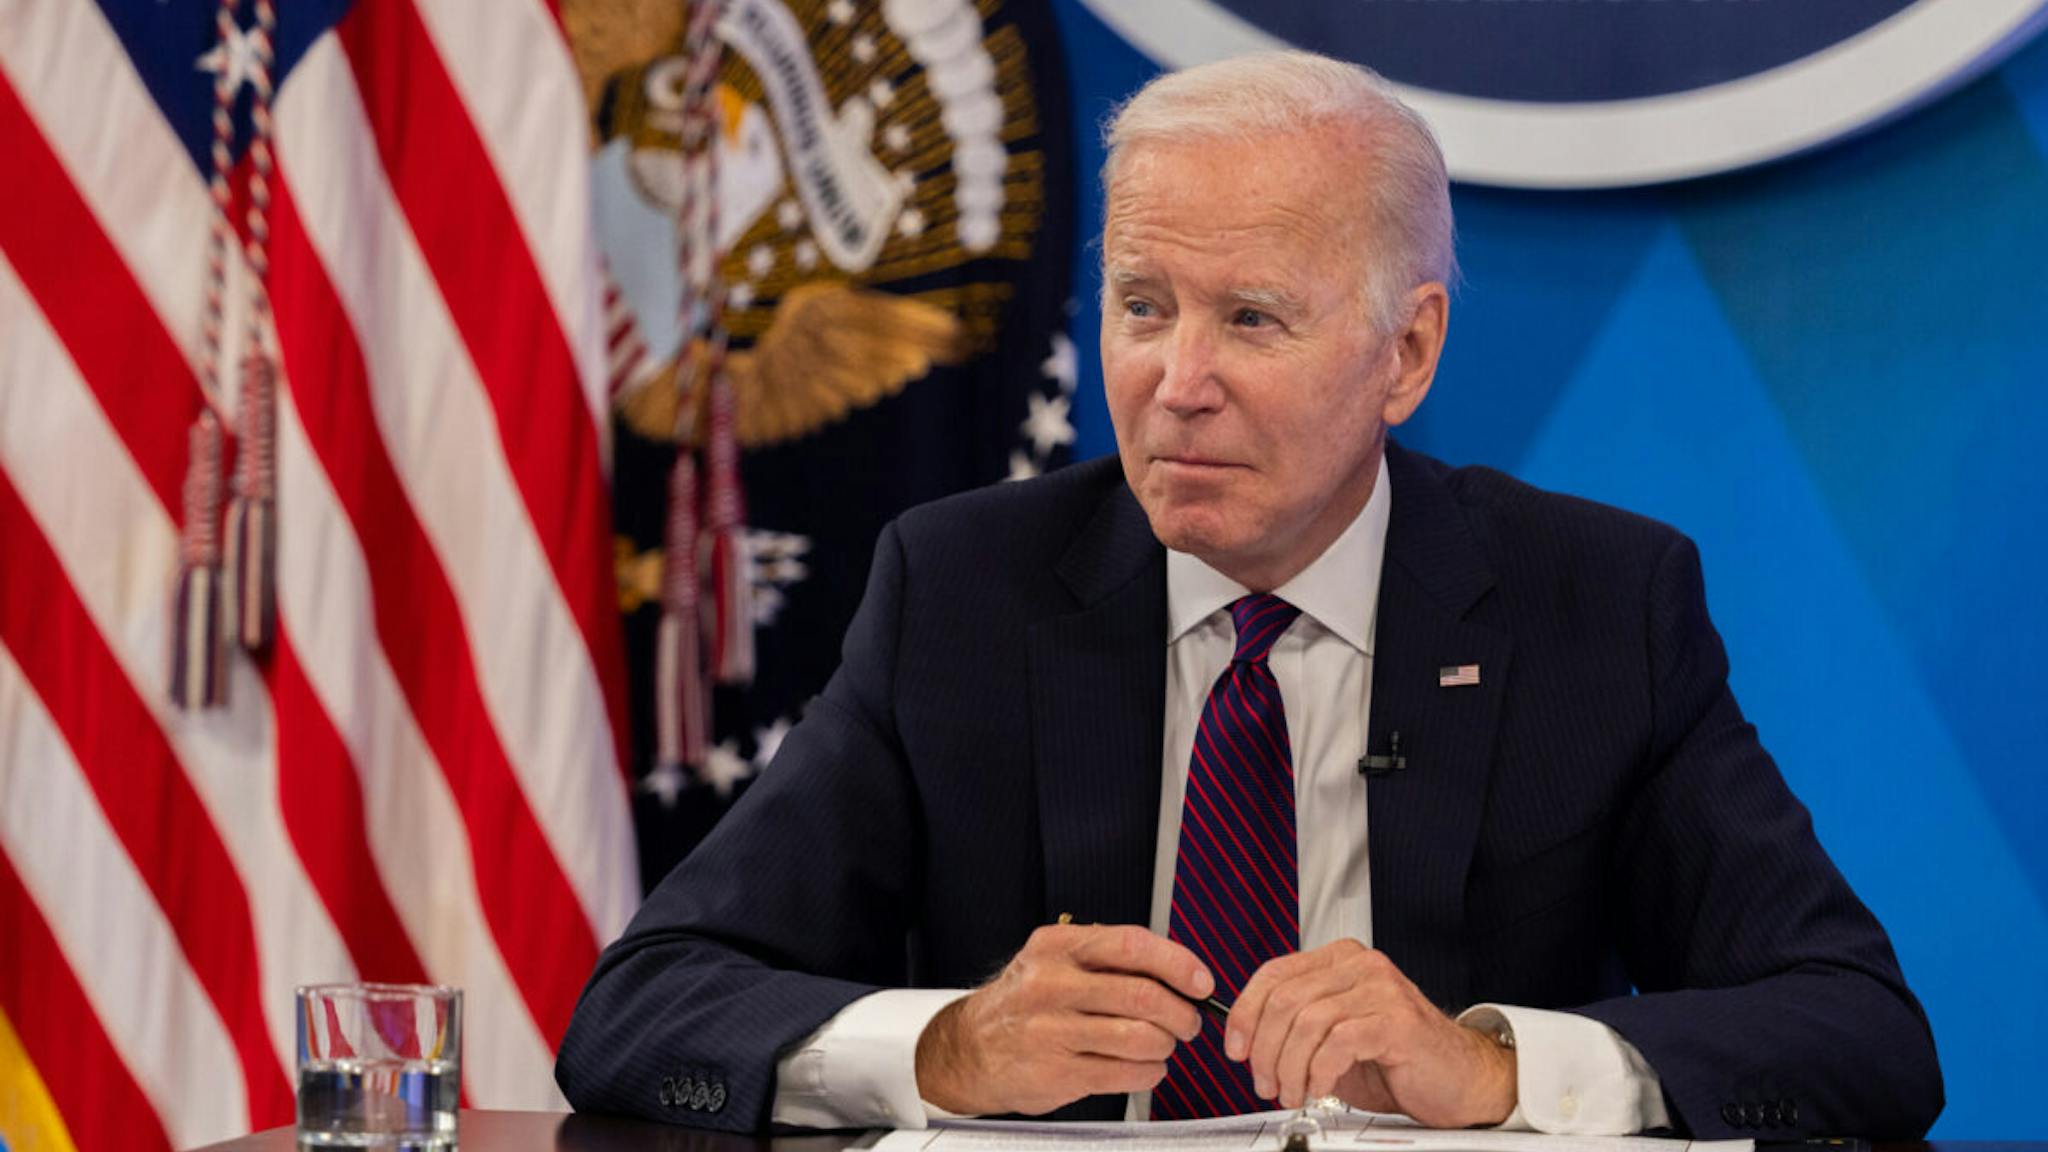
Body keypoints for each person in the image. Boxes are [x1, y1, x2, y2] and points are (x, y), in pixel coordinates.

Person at [556, 51, 1942, 1138]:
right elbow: (642, 1007)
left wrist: (1494, 1068)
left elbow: (1860, 1032)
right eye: (1143, 305)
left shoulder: (1595, 605)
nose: (1178, 382)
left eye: (1252, 318)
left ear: (1406, 353)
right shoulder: (960, 591)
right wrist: (944, 1049)